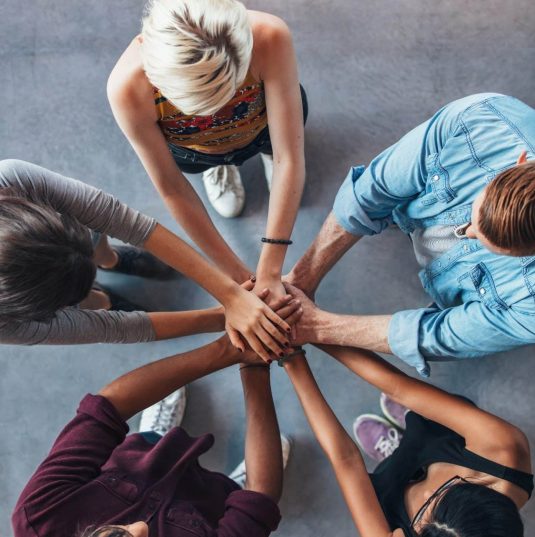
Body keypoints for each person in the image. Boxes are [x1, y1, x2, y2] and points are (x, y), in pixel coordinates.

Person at [11, 292, 301, 537]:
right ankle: (236, 490)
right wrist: (255, 365)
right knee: (245, 502)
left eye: (117, 533)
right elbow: (261, 496)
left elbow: (107, 408)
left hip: (139, 460)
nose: (140, 527)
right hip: (211, 505)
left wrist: (229, 350)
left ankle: (156, 435)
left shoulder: (39, 517)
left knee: (149, 444)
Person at [286, 93, 535, 376]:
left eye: (486, 244)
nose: (466, 232)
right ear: (520, 161)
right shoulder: (480, 118)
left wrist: (313, 326)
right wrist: (301, 277)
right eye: (474, 217)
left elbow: (436, 335)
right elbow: (373, 190)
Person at [279, 293, 532, 536]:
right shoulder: (504, 449)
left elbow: (346, 460)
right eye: (446, 490)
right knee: (426, 412)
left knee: (388, 472)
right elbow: (399, 388)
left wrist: (292, 359)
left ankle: (395, 452)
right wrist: (312, 328)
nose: (425, 496)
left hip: (391, 484)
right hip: (445, 438)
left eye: (424, 516)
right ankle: (414, 422)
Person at [108, 0, 306, 303]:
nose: (218, 113)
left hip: (263, 126)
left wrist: (271, 268)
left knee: (282, 146)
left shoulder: (269, 35)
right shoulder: (127, 88)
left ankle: (266, 154)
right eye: (200, 109)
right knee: (199, 162)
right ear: (143, 46)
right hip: (196, 151)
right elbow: (172, 187)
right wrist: (242, 280)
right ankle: (218, 164)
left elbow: (289, 155)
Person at [0, 159, 292, 361]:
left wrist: (232, 296)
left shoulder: (9, 179)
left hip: (68, 246)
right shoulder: (7, 325)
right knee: (89, 304)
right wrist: (222, 316)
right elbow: (110, 328)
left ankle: (108, 259)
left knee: (91, 242)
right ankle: (101, 301)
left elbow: (119, 219)